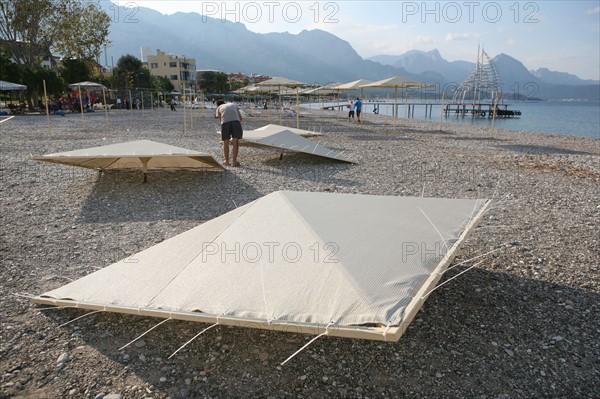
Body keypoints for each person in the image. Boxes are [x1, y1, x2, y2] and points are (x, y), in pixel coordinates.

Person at [215, 100, 243, 167]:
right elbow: (241, 119)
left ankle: (226, 161)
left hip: (225, 123)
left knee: (225, 142)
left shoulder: (219, 108)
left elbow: (220, 120)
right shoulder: (233, 104)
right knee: (235, 142)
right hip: (236, 122)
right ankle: (234, 162)